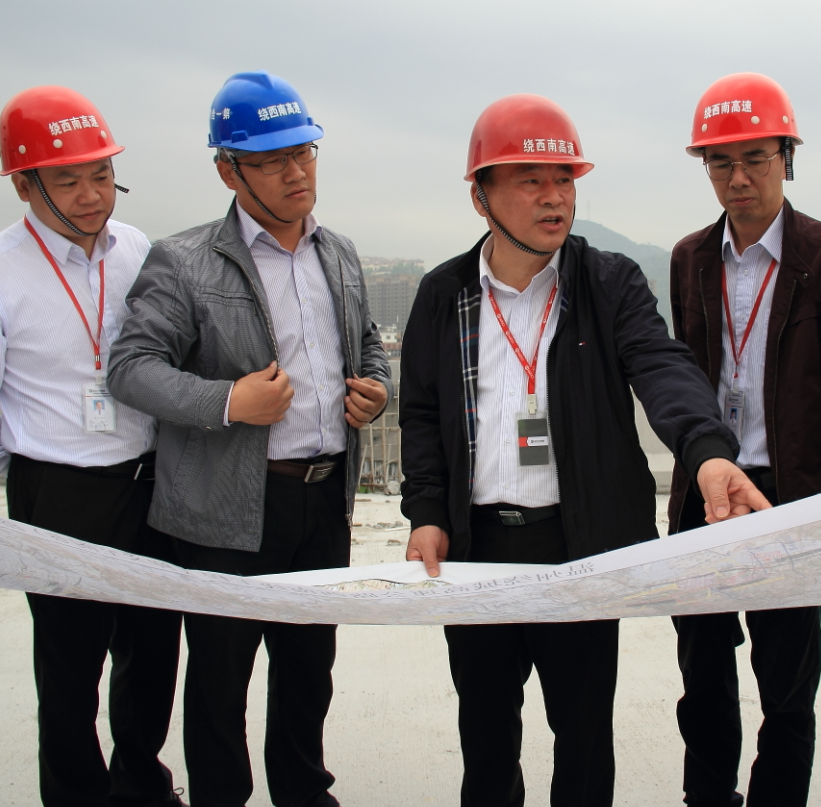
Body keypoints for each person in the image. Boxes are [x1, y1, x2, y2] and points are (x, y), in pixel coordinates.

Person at [399, 93, 770, 807]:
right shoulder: (444, 294)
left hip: (579, 548)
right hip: (478, 549)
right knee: (486, 741)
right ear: (481, 196)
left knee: (585, 740)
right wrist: (427, 512)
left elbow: (661, 365)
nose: (554, 197)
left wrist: (706, 451)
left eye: (564, 179)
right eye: (531, 181)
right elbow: (420, 411)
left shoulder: (607, 282)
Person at [108, 71, 392, 807]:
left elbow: (366, 342)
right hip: (224, 509)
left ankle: (304, 792)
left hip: (321, 501)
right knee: (219, 679)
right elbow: (132, 367)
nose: (297, 173)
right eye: (272, 160)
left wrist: (374, 386)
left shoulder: (338, 252)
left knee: (308, 670)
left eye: (304, 152)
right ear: (228, 170)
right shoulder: (185, 260)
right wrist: (230, 400)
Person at [667, 73, 821, 807]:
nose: (738, 179)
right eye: (720, 163)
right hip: (707, 492)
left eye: (755, 159)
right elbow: (686, 377)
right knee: (702, 675)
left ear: (787, 157)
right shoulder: (690, 258)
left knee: (786, 687)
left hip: (792, 497)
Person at [0, 86, 183, 807]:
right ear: (24, 185)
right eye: (68, 180)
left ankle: (141, 782)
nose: (90, 195)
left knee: (153, 651)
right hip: (59, 489)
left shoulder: (136, 248)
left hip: (147, 479)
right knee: (70, 666)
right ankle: (76, 793)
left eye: (101, 175)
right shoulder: (5, 268)